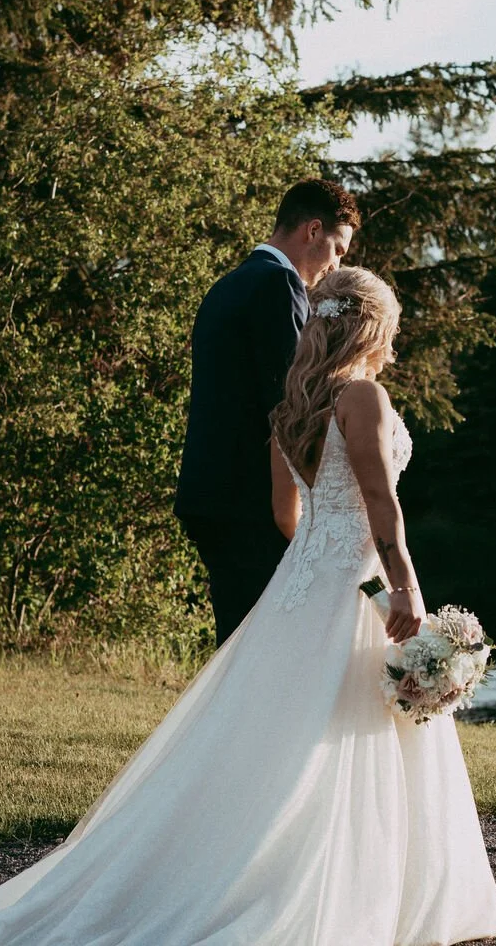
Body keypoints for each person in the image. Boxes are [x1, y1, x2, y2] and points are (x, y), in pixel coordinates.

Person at [0, 266, 496, 946]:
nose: (396, 343)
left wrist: (355, 582)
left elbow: (293, 518)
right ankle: (347, 892)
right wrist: (401, 588)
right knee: (341, 733)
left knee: (273, 741)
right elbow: (380, 503)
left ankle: (252, 874)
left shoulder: (294, 407)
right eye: (394, 328)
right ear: (372, 327)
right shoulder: (363, 397)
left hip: (304, 592)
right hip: (360, 585)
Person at [175, 179, 359, 646]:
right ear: (313, 231)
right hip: (251, 501)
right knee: (262, 646)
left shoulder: (229, 284)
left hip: (211, 492)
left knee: (237, 643)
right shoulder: (280, 286)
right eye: (337, 249)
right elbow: (291, 404)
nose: (337, 265)